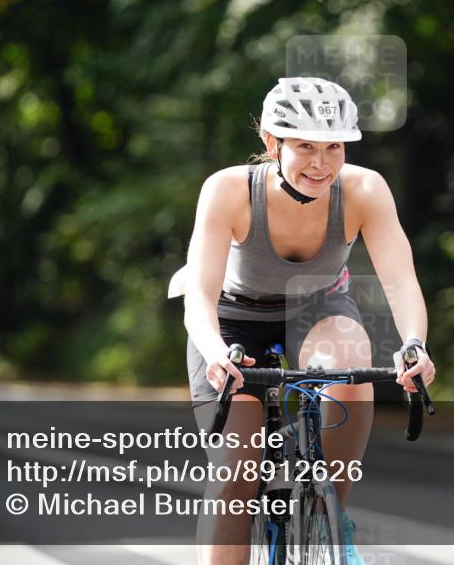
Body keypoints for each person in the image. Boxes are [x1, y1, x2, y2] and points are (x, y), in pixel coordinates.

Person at [181, 77, 436, 565]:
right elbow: (199, 294)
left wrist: (414, 344)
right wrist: (215, 353)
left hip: (318, 310)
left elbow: (401, 280)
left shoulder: (364, 189)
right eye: (304, 147)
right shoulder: (229, 189)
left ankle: (329, 517)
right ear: (271, 143)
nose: (321, 164)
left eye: (333, 147)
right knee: (236, 476)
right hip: (233, 322)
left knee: (352, 367)